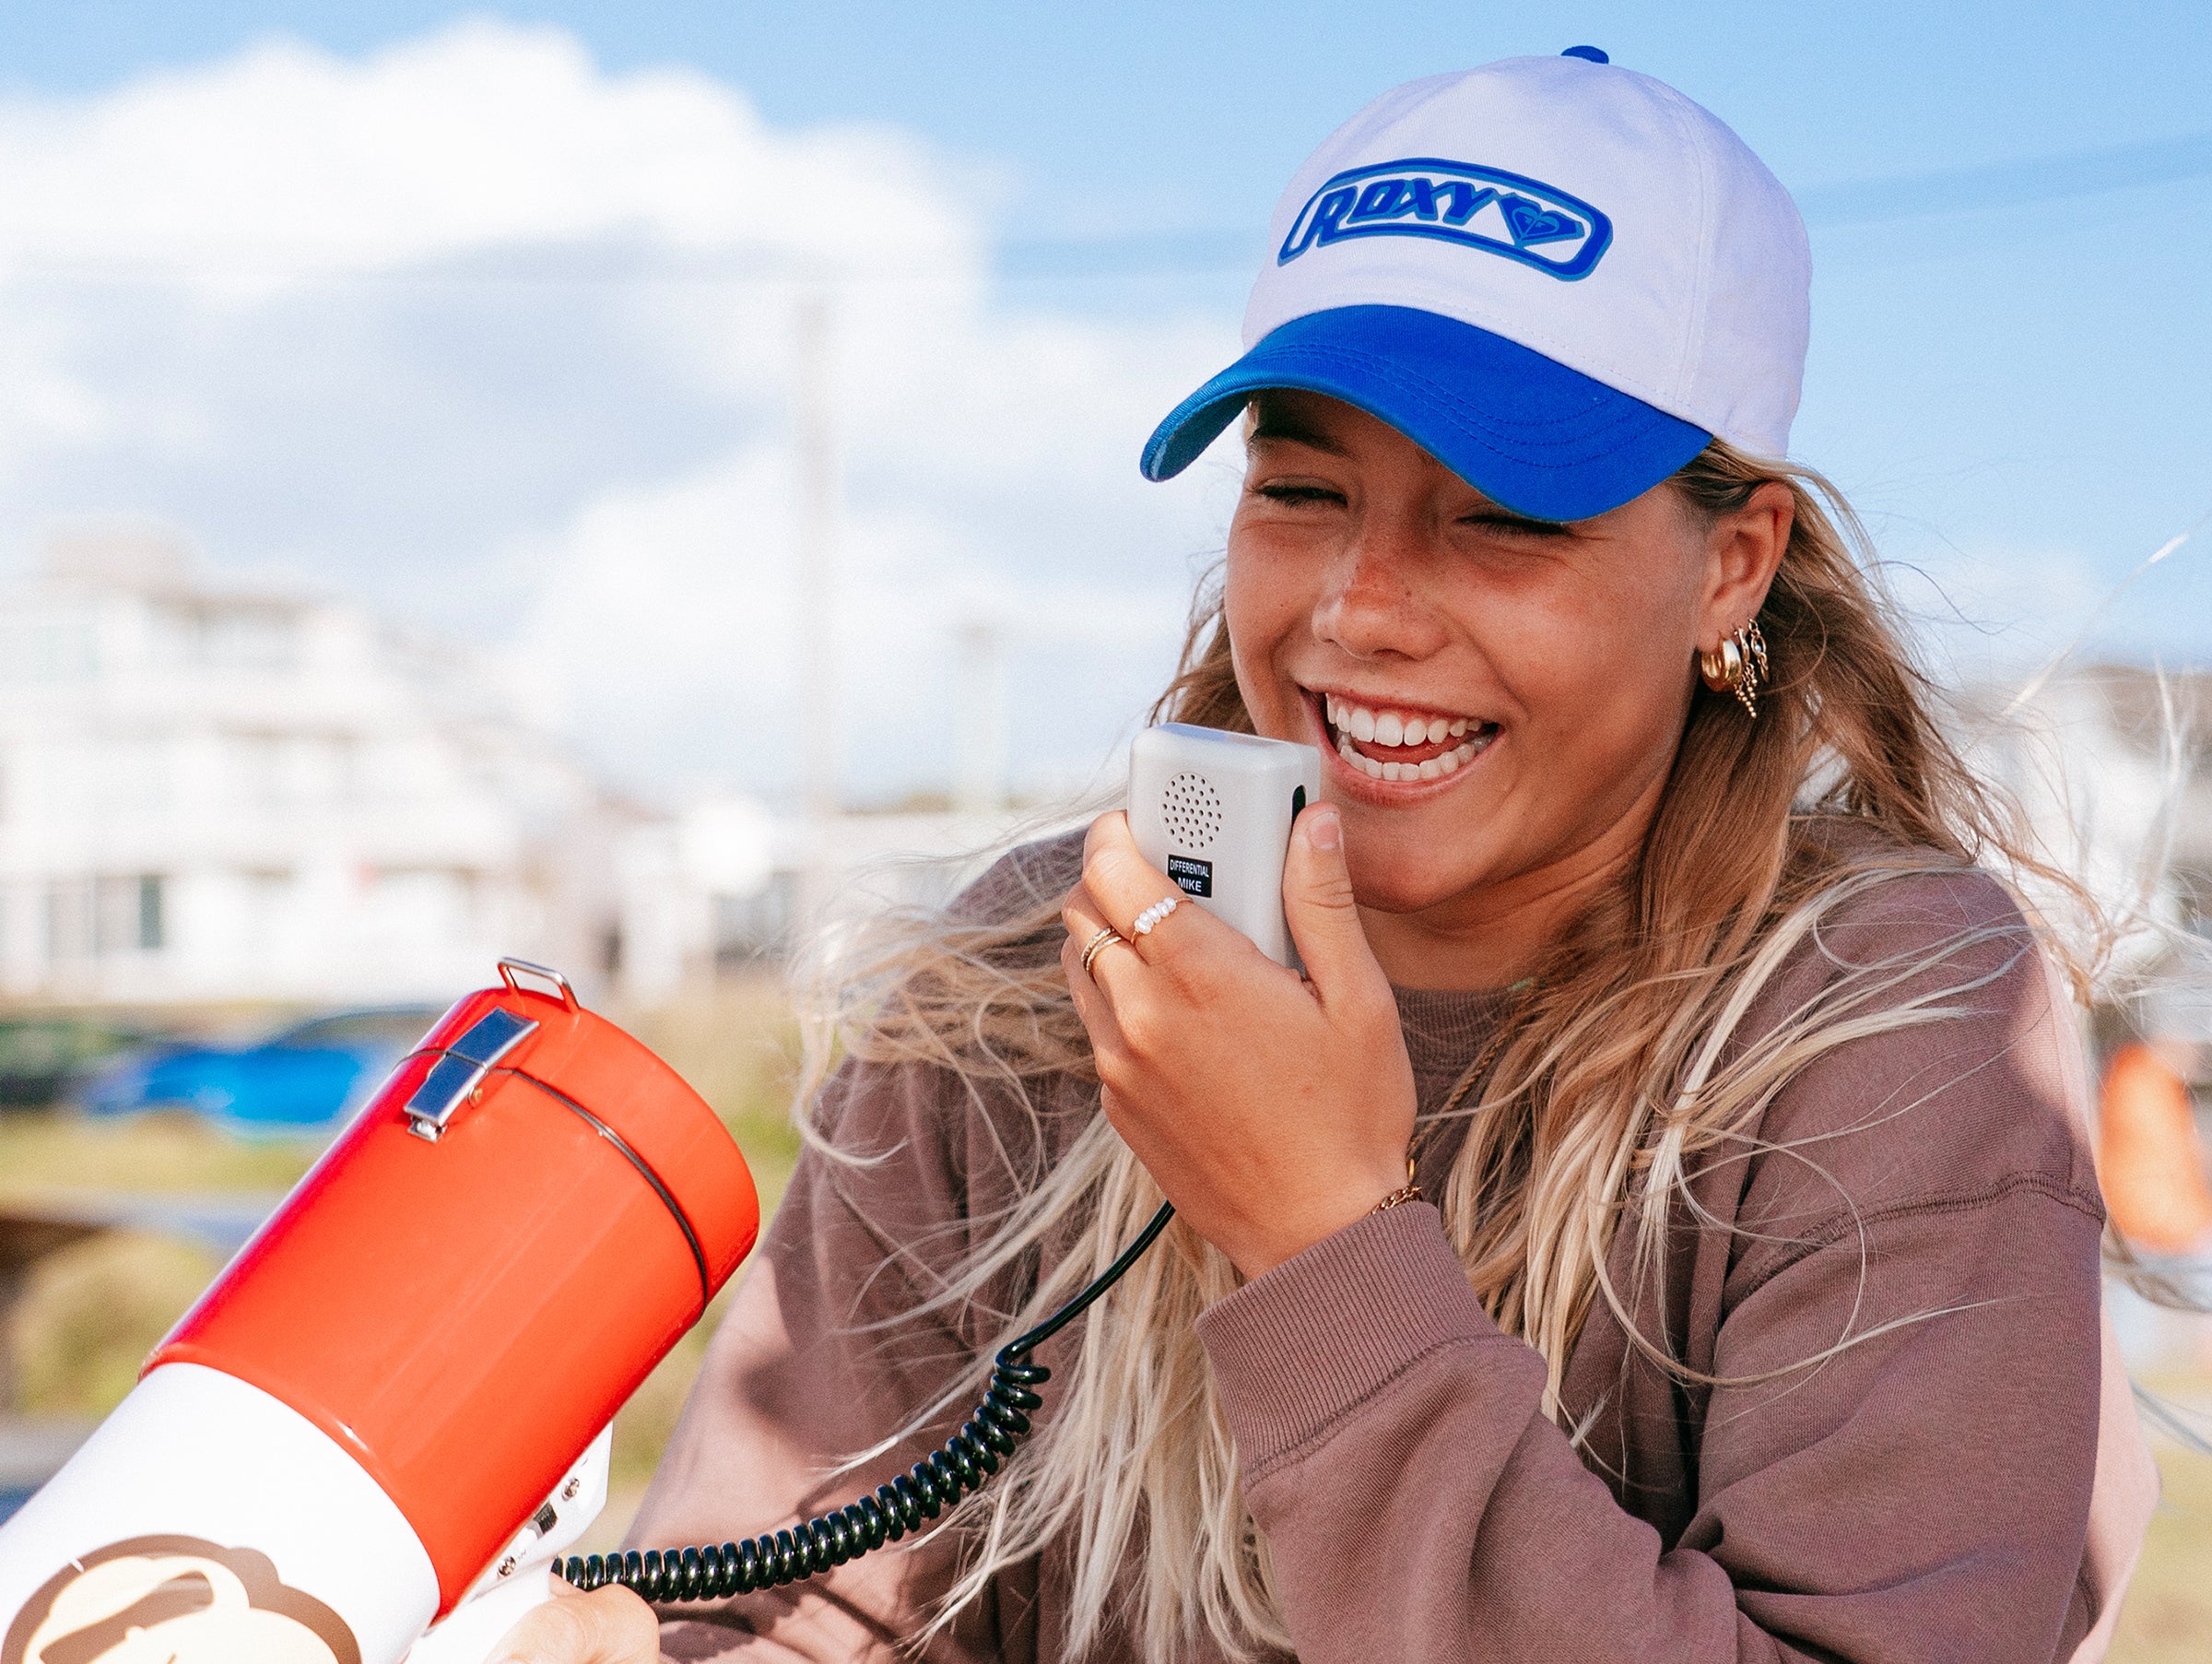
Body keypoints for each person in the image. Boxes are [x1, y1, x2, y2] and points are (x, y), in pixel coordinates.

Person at [498, 51, 2159, 1664]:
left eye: (1505, 516)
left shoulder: (1891, 1022)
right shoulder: (1036, 979)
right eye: (1300, 490)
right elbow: (795, 1595)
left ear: (1733, 565)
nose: (1361, 608)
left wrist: (1320, 1251)